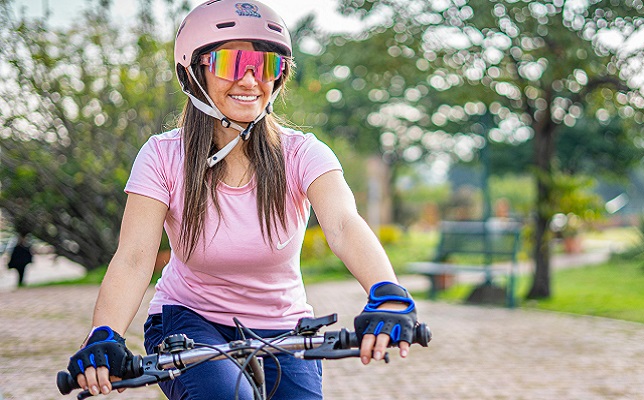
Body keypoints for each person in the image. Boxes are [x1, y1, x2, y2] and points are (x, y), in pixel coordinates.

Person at [65, 1, 418, 398]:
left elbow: (343, 225)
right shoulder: (163, 156)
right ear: (193, 72)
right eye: (232, 63)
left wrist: (386, 292)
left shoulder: (303, 153)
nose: (251, 79)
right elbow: (134, 256)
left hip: (285, 324)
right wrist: (104, 334)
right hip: (189, 319)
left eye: (267, 65)